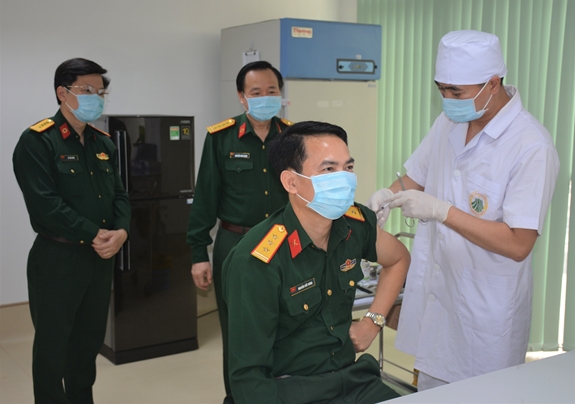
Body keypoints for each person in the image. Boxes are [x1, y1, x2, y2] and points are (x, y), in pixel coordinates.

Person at [366, 30, 560, 391]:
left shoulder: (531, 146)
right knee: (431, 389)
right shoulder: (448, 123)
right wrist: (387, 195)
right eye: (442, 90)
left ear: (493, 83)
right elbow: (415, 177)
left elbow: (519, 243)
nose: (447, 100)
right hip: (439, 298)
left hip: (484, 317)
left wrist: (443, 211)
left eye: (456, 93)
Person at [222, 121, 410, 403]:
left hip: (353, 380)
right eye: (329, 169)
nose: (344, 178)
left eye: (348, 167)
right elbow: (248, 376)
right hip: (290, 389)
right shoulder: (258, 260)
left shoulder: (355, 224)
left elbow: (398, 259)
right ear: (291, 182)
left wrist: (372, 322)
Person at [13, 58, 131, 403]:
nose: (96, 97)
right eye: (87, 90)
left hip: (98, 260)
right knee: (52, 348)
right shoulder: (38, 141)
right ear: (62, 93)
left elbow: (120, 195)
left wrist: (121, 231)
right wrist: (95, 233)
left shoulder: (103, 143)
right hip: (57, 259)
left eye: (101, 92)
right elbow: (44, 205)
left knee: (87, 344)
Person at [186, 61, 292, 401]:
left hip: (284, 243)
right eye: (256, 92)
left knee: (285, 328)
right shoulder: (221, 137)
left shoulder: (294, 138)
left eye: (271, 91)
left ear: (280, 93)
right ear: (242, 97)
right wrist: (198, 254)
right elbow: (205, 198)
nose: (265, 97)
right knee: (237, 333)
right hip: (235, 244)